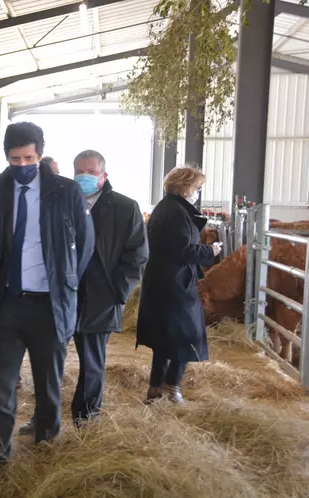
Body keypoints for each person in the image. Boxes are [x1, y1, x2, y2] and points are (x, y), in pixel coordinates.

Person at [0, 122, 94, 485]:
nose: (22, 164)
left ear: (40, 154)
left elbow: (84, 245)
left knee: (49, 386)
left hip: (49, 304)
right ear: (6, 157)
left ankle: (45, 454)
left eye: (29, 157)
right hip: (7, 304)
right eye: (14, 158)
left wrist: (65, 282)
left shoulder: (65, 190)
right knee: (1, 388)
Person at [19, 150, 148, 434]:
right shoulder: (59, 201)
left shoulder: (125, 208)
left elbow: (137, 254)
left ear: (104, 175)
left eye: (91, 172)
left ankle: (87, 420)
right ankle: (43, 416)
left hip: (100, 298)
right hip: (61, 295)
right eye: (79, 171)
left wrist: (118, 291)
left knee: (92, 363)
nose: (84, 177)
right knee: (48, 360)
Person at [136, 166, 218, 404]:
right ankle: (172, 387)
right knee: (187, 335)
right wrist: (210, 251)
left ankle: (155, 389)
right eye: (196, 188)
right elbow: (183, 250)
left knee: (165, 337)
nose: (197, 192)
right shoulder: (176, 212)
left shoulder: (168, 208)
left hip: (164, 280)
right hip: (175, 283)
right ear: (185, 186)